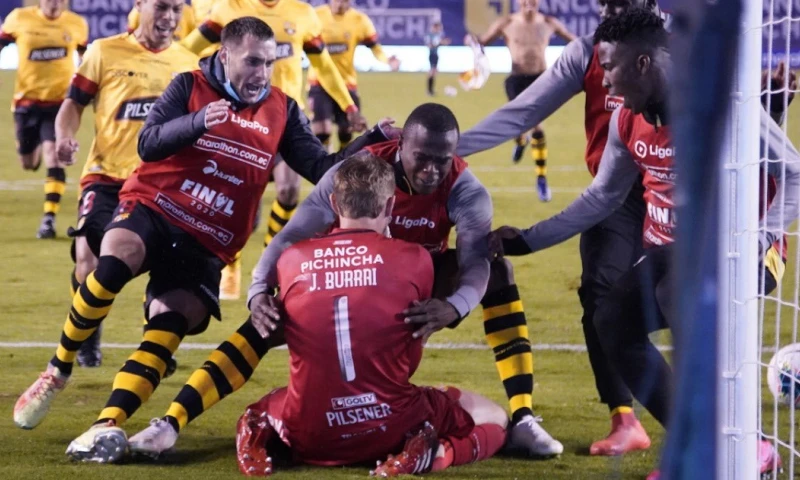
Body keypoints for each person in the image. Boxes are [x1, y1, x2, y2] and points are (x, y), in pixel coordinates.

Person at [12, 17, 392, 464]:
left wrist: (371, 141)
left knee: (168, 326)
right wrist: (197, 122)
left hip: (209, 239)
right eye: (253, 61)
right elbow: (149, 145)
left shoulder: (282, 109)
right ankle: (58, 369)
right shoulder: (187, 85)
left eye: (269, 63)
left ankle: (106, 422)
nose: (261, 73)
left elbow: (318, 167)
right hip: (156, 207)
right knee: (113, 263)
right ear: (225, 55)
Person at [127, 103, 563, 460]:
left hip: (415, 289)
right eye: (422, 158)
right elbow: (292, 235)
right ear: (397, 146)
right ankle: (171, 422)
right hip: (353, 276)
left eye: (441, 160)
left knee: (499, 270)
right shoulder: (360, 173)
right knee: (268, 319)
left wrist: (455, 307)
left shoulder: (465, 188)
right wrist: (260, 291)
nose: (432, 170)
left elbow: (473, 263)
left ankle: (523, 416)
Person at [490, 9, 800, 476]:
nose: (604, 82)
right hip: (675, 250)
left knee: (673, 294)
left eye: (609, 67)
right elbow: (600, 199)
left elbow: (793, 173)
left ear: (642, 64)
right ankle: (698, 441)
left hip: (747, 247)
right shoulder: (627, 121)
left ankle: (743, 445)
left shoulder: (720, 105)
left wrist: (759, 238)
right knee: (611, 316)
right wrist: (529, 241)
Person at [458, 0, 660, 455]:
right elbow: (522, 114)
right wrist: (448, 147)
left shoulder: (683, 53)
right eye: (606, 3)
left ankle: (715, 422)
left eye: (622, 3)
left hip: (684, 193)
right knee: (601, 293)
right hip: (614, 192)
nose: (611, 10)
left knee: (686, 302)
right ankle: (624, 418)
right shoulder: (587, 54)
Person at [234, 154, 508, 477]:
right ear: (390, 207)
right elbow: (410, 351)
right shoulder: (415, 258)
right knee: (496, 419)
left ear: (334, 204)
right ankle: (439, 454)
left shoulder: (291, 259)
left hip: (310, 433)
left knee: (258, 411)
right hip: (390, 427)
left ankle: (255, 449)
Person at [180, 0, 368, 301]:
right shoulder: (229, 9)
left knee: (289, 190)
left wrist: (348, 104)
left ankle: (272, 252)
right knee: (233, 196)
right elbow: (185, 50)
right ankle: (231, 261)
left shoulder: (303, 13)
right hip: (237, 120)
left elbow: (322, 65)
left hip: (284, 120)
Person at [54, 0, 199, 369]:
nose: (168, 17)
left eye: (176, 10)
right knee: (88, 261)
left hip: (158, 183)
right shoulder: (103, 51)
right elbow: (74, 103)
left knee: (164, 263)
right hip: (105, 176)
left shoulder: (188, 63)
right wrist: (64, 137)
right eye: (161, 7)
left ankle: (154, 339)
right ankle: (87, 332)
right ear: (140, 5)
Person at [0, 0, 88, 239]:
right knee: (28, 162)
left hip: (59, 103)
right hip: (26, 104)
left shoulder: (76, 24)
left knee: (54, 155)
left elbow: (87, 60)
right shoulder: (19, 18)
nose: (55, 3)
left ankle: (48, 219)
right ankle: (32, 146)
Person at [476, 0, 574, 201]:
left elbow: (575, 42)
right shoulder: (506, 23)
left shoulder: (549, 22)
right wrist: (473, 44)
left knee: (537, 127)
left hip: (541, 80)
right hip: (516, 80)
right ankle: (521, 140)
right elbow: (482, 42)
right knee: (520, 126)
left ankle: (541, 178)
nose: (529, 3)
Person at [309, 0, 399, 152]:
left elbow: (375, 47)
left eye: (344, 1)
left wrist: (387, 60)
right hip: (319, 82)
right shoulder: (315, 16)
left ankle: (342, 160)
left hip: (347, 84)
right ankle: (324, 164)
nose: (340, 4)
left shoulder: (360, 20)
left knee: (346, 132)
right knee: (322, 131)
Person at [127, 1, 196, 40]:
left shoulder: (188, 12)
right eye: (160, 7)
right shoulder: (139, 12)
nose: (169, 16)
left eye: (176, 10)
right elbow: (132, 39)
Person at [424, 21, 449, 96]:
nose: (439, 29)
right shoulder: (429, 35)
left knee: (434, 72)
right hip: (432, 55)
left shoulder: (437, 35)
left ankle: (431, 90)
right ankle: (429, 90)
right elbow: (429, 45)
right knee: (432, 72)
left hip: (435, 55)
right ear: (435, 27)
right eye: (438, 28)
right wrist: (439, 43)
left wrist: (443, 43)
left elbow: (440, 43)